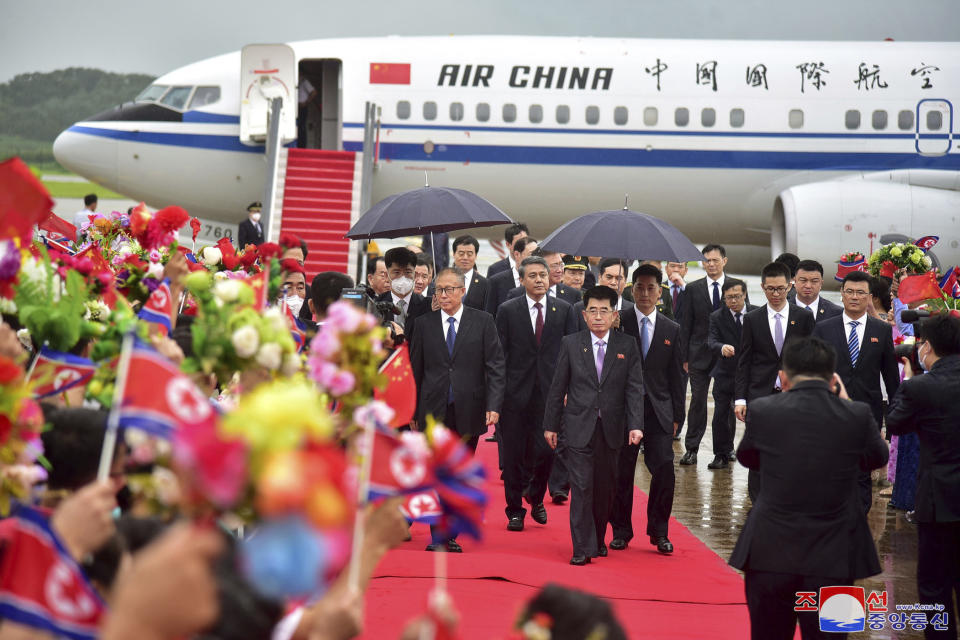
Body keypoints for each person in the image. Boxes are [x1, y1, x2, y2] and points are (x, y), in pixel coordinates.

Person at [729, 336, 887, 640]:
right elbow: (877, 457)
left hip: (770, 549)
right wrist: (845, 400)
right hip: (835, 554)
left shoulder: (764, 410)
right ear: (832, 377)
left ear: (784, 376)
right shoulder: (856, 414)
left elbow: (748, 457)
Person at [543, 286, 643, 565]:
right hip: (578, 426)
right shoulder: (571, 343)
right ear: (584, 314)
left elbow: (634, 389)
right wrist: (550, 425)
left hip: (612, 429)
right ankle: (581, 547)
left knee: (604, 489)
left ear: (614, 315)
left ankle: (597, 539)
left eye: (605, 311)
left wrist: (636, 424)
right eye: (593, 311)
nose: (598, 317)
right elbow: (557, 387)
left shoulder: (627, 345)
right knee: (582, 486)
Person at [409, 267, 505, 552]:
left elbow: (496, 366)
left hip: (469, 407)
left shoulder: (484, 321)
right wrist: (412, 410)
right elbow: (416, 369)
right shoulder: (424, 324)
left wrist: (494, 404)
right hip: (432, 409)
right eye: (439, 289)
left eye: (450, 289)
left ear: (463, 290)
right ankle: (440, 535)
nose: (444, 294)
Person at [886, 313, 960, 639]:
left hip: (939, 501)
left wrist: (910, 377)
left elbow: (896, 424)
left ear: (926, 346)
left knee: (934, 585)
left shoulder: (921, 387)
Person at [496, 256, 577, 532]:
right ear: (522, 280)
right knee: (514, 454)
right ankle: (515, 510)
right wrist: (498, 395)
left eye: (543, 274)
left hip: (551, 395)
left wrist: (569, 389)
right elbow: (500, 355)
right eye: (533, 275)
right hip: (514, 395)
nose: (540, 279)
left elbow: (572, 354)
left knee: (546, 451)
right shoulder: (508, 310)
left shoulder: (564, 310)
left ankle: (536, 495)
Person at [611, 265, 684, 554]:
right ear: (631, 289)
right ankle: (620, 530)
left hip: (658, 409)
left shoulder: (671, 328)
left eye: (650, 288)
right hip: (623, 409)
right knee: (621, 471)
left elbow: (678, 376)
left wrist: (678, 415)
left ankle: (659, 531)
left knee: (664, 468)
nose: (644, 293)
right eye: (639, 287)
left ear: (660, 291)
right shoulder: (619, 321)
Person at [813, 271, 899, 512]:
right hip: (829, 413)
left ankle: (857, 526)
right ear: (841, 294)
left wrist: (895, 418)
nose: (854, 297)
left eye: (860, 293)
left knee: (862, 473)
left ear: (869, 297)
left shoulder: (881, 331)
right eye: (849, 291)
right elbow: (812, 372)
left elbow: (890, 377)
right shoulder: (823, 329)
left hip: (866, 414)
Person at [735, 262, 815, 496]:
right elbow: (744, 360)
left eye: (780, 288)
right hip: (761, 394)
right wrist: (740, 399)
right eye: (770, 289)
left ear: (790, 286)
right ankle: (758, 503)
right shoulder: (752, 318)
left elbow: (810, 356)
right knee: (759, 452)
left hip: (794, 395)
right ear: (762, 287)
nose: (776, 294)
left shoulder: (803, 317)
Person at [679, 244, 729, 465]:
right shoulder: (693, 289)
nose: (710, 264)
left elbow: (742, 322)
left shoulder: (735, 287)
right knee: (698, 401)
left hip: (727, 354)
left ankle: (725, 450)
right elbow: (685, 324)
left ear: (724, 261)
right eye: (706, 260)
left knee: (724, 402)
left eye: (715, 260)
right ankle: (692, 448)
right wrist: (684, 357)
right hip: (698, 355)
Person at [705, 278, 755, 469]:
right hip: (725, 373)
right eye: (729, 298)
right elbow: (711, 340)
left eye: (737, 297)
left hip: (750, 374)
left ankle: (754, 454)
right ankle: (721, 453)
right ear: (724, 299)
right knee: (720, 415)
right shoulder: (717, 317)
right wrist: (721, 347)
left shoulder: (756, 312)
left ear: (744, 295)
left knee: (753, 415)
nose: (733, 301)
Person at [377, 247, 428, 331]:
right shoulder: (377, 304)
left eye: (407, 272)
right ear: (386, 276)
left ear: (414, 275)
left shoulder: (426, 305)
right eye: (397, 272)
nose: (402, 277)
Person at [486, 237, 538, 316]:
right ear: (517, 254)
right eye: (532, 254)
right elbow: (490, 314)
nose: (536, 259)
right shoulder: (496, 281)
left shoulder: (540, 281)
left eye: (538, 255)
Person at [506, 250, 581, 306]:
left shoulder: (573, 294)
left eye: (561, 265)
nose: (559, 270)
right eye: (554, 266)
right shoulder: (517, 294)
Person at [572, 258, 628, 330]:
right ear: (599, 278)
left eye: (618, 278)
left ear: (625, 281)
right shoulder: (580, 308)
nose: (613, 282)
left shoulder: (631, 310)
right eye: (609, 277)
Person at [450, 234, 489, 310]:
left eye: (469, 254)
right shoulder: (443, 279)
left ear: (476, 256)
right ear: (454, 254)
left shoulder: (485, 284)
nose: (465, 258)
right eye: (461, 254)